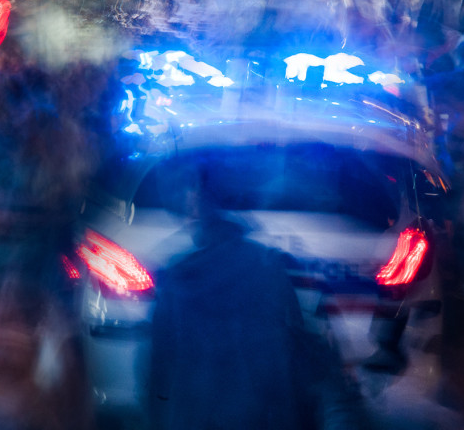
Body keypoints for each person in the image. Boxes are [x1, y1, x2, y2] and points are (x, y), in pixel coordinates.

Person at [147, 172, 366, 430]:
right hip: (270, 416)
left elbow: (157, 372)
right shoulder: (277, 267)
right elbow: (319, 357)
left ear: (199, 206)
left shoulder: (179, 276)